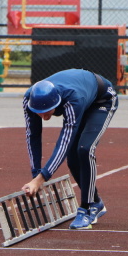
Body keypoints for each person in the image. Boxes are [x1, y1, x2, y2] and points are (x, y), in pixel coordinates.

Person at [21, 68, 118, 230]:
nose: (44, 117)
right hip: (84, 93)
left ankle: (87, 208)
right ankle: (96, 202)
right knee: (73, 159)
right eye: (39, 112)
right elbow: (33, 136)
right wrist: (35, 173)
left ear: (57, 102)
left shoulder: (73, 99)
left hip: (102, 100)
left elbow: (64, 142)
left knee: (85, 149)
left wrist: (41, 178)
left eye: (47, 112)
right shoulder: (29, 100)